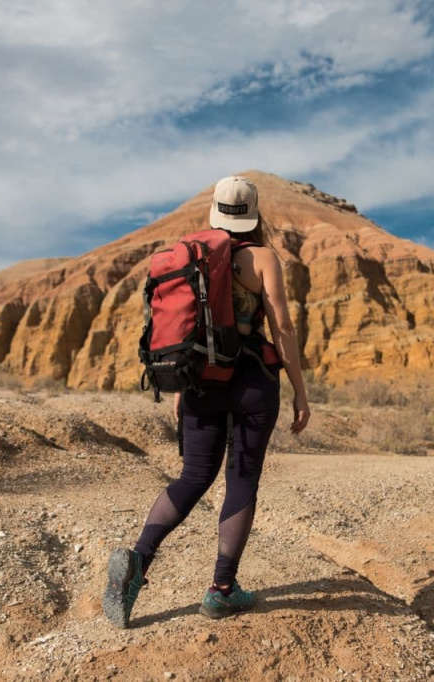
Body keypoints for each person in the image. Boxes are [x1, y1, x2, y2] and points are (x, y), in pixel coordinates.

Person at [103, 175, 311, 628]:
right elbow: (283, 328)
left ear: (216, 211)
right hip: (253, 383)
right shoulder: (261, 258)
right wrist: (299, 389)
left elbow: (187, 326)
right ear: (254, 214)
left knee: (193, 476)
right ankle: (221, 590)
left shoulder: (195, 257)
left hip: (201, 383)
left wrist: (181, 388)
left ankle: (138, 560)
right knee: (242, 480)